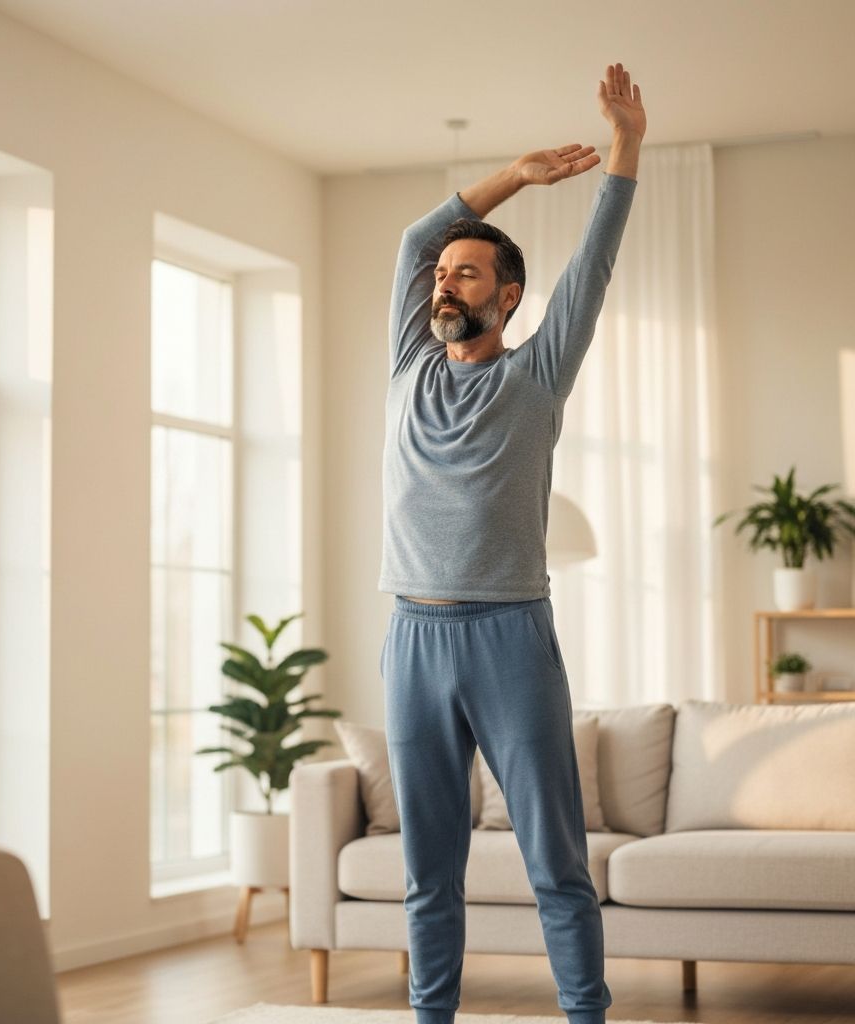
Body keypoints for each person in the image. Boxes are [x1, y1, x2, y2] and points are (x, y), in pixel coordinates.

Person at [377, 64, 646, 1024]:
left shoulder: (535, 377)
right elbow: (417, 237)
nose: (444, 283)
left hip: (508, 639)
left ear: (510, 295)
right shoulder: (411, 359)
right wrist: (514, 177)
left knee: (554, 861)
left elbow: (598, 259)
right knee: (428, 870)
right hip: (411, 638)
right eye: (443, 275)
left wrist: (625, 145)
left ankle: (584, 1016)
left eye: (467, 273)